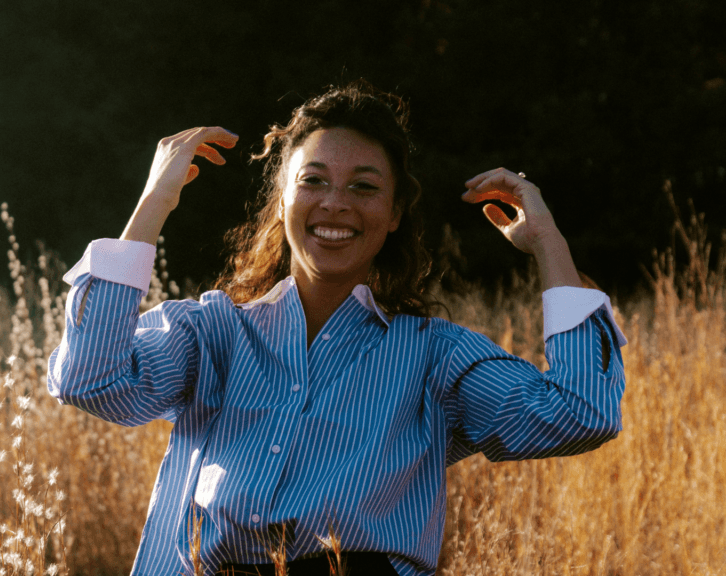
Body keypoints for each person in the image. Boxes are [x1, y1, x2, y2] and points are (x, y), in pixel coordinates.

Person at [47, 81, 627, 576]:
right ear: (281, 199)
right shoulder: (211, 333)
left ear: (395, 214)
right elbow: (90, 380)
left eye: (364, 186)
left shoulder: (433, 359)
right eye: (314, 181)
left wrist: (550, 243)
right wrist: (154, 201)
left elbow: (581, 412)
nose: (335, 204)